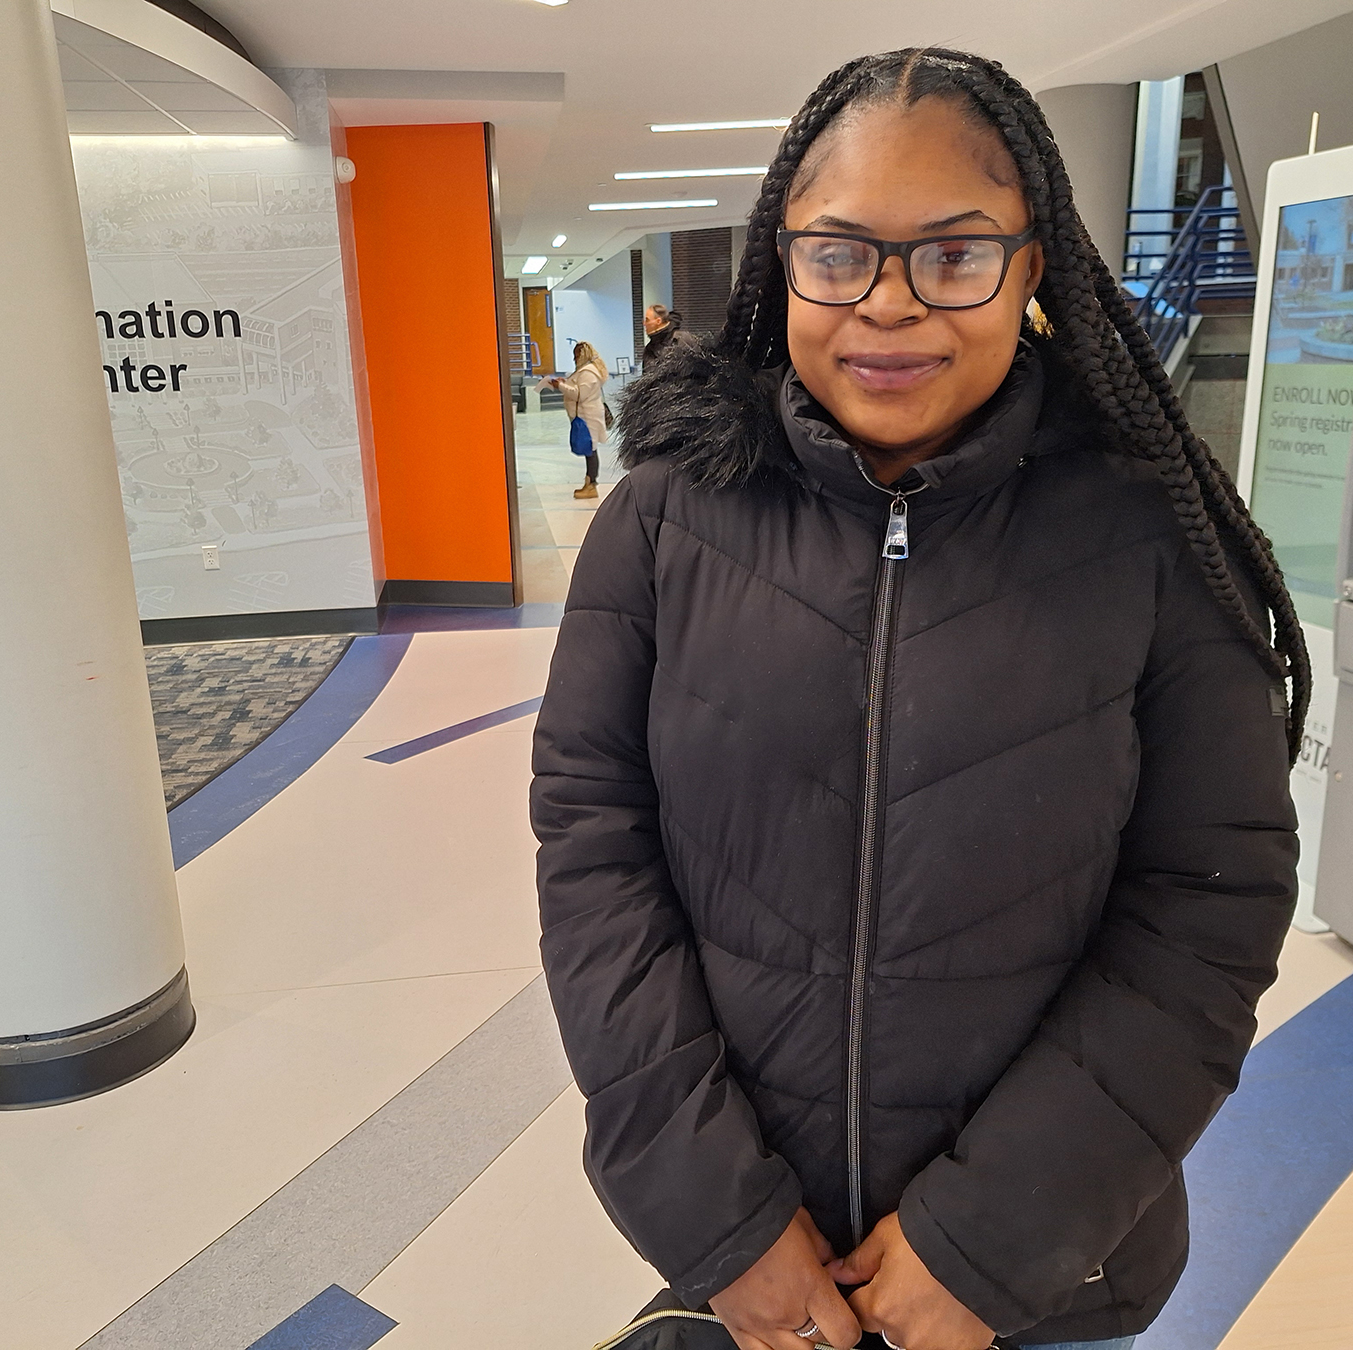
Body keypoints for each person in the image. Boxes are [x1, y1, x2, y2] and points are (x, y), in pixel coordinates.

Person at [531, 48, 1305, 1350]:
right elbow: (594, 843)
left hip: (1046, 1277)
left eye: (954, 255)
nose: (888, 306)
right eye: (839, 254)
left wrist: (991, 1238)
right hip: (757, 1261)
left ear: (1034, 262)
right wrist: (724, 1219)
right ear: (784, 257)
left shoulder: (1148, 532)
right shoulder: (666, 518)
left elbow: (1207, 903)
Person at [545, 340, 610, 499]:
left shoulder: (589, 372)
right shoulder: (584, 371)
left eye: (576, 355)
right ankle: (589, 482)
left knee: (591, 448)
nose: (574, 359)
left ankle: (591, 484)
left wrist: (560, 386)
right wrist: (563, 383)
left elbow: (579, 394)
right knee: (589, 449)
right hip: (584, 415)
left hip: (589, 416)